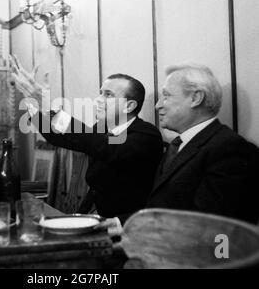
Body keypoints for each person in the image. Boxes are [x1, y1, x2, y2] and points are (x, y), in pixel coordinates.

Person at [102, 63, 259, 234]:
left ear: (195, 98)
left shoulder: (230, 150)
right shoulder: (180, 144)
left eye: (166, 96)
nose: (158, 105)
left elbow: (215, 231)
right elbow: (162, 208)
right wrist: (116, 224)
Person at [10, 55, 164, 219]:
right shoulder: (101, 128)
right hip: (92, 211)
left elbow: (108, 148)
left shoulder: (146, 135)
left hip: (125, 221)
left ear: (129, 105)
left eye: (108, 95)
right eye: (100, 93)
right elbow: (57, 138)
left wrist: (50, 107)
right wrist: (33, 102)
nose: (98, 99)